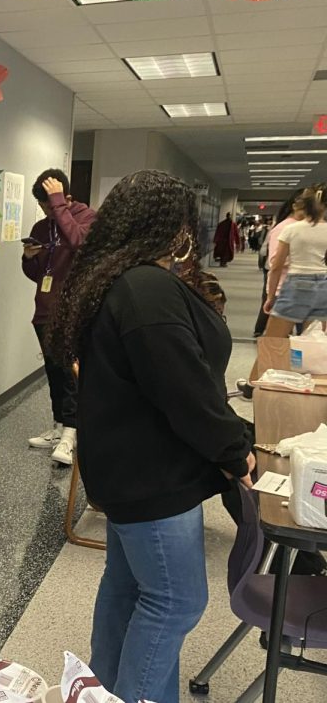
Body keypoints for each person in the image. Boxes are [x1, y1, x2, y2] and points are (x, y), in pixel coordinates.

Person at [48, 170, 254, 703]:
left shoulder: (120, 280)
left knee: (127, 587)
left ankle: (104, 693)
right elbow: (184, 387)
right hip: (152, 474)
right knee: (175, 601)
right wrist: (235, 448)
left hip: (125, 466)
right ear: (170, 227)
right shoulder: (146, 287)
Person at [21, 170, 96, 465]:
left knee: (69, 373)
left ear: (64, 198)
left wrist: (59, 207)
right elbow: (36, 275)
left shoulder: (85, 217)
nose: (45, 212)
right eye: (41, 206)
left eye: (48, 204)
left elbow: (80, 244)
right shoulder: (42, 227)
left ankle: (71, 433)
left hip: (73, 311)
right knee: (53, 371)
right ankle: (58, 427)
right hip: (44, 310)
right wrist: (29, 258)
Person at [252, 195, 305, 339]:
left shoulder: (310, 227)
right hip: (285, 288)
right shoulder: (285, 227)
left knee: (306, 337)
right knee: (279, 339)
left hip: (306, 289)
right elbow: (274, 262)